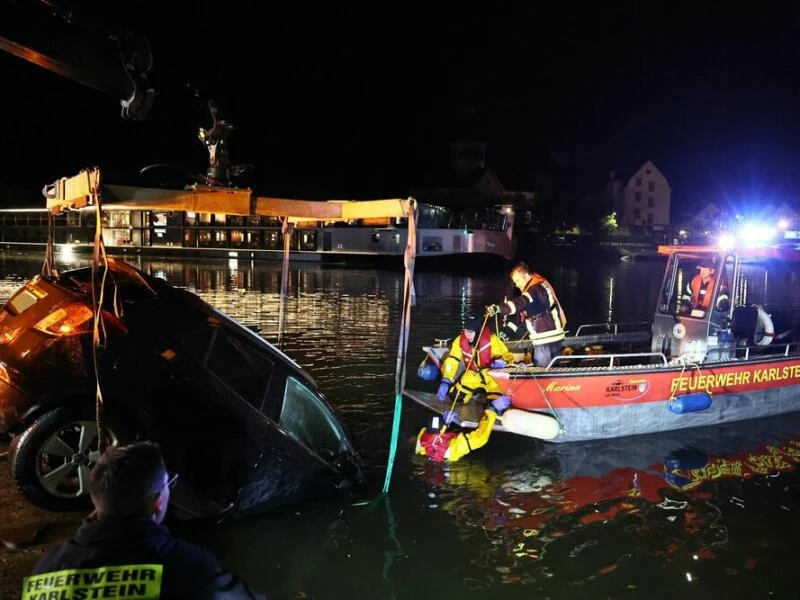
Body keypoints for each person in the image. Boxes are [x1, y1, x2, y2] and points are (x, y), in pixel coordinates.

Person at [25, 441, 267, 600]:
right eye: (167, 485)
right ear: (157, 501)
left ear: (96, 497)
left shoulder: (46, 568)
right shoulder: (187, 566)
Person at [486, 261, 567, 367]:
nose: (516, 284)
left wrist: (499, 308)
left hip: (545, 339)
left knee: (541, 371)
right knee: (553, 368)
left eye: (518, 280)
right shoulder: (540, 285)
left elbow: (521, 302)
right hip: (553, 336)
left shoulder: (535, 290)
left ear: (526, 276)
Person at [437, 315, 514, 404]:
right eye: (465, 331)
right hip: (472, 375)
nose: (468, 335)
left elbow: (507, 355)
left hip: (490, 375)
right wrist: (446, 380)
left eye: (471, 332)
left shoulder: (491, 339)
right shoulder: (459, 341)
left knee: (496, 403)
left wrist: (503, 362)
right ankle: (476, 394)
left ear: (478, 332)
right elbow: (452, 360)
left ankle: (486, 399)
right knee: (455, 396)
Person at [415, 396, 511, 462]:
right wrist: (492, 410)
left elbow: (435, 436)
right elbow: (481, 438)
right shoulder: (454, 448)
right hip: (448, 470)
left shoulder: (422, 438)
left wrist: (445, 424)